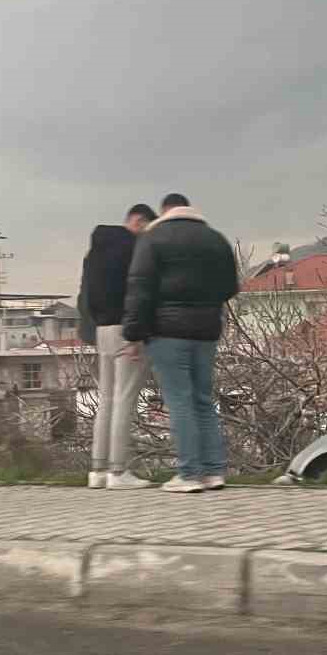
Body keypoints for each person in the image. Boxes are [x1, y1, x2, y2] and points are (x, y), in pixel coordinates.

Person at [121, 193, 240, 493]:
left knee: (179, 401)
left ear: (164, 212)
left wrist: (133, 333)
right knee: (203, 400)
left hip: (167, 332)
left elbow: (139, 288)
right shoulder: (215, 239)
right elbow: (230, 287)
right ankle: (214, 472)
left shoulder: (153, 238)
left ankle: (188, 474)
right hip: (207, 331)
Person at [82, 203, 158, 489]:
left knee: (107, 400)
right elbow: (138, 292)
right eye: (148, 228)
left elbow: (86, 294)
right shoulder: (133, 248)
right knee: (125, 399)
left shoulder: (96, 251)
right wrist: (136, 334)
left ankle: (97, 471)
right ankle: (118, 471)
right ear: (138, 221)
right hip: (127, 330)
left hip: (102, 329)